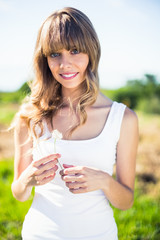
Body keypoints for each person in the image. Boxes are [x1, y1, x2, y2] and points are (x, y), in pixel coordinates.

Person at [11, 7, 139, 240]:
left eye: (75, 50)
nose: (64, 64)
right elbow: (19, 193)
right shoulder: (29, 116)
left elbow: (126, 201)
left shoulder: (123, 118)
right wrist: (28, 179)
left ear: (92, 52)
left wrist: (104, 181)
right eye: (55, 54)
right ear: (45, 59)